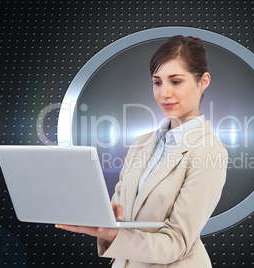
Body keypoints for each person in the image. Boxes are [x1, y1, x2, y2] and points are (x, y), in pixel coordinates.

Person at [56, 35, 228, 267]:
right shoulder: (141, 143)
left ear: (203, 81)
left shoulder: (209, 152)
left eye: (175, 81)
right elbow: (120, 212)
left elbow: (176, 242)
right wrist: (103, 217)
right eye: (157, 82)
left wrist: (114, 235)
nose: (163, 93)